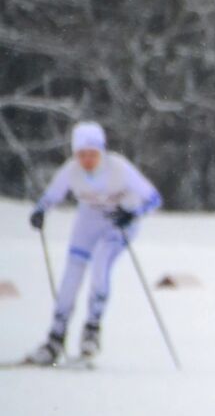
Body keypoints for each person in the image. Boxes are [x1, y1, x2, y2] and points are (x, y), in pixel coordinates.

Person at [25, 121, 162, 364]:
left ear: (102, 151)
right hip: (89, 220)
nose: (87, 160)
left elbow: (153, 198)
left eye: (92, 154)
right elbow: (52, 195)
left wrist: (133, 213)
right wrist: (40, 211)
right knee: (71, 276)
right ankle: (55, 339)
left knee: (100, 263)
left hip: (119, 222)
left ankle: (92, 331)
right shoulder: (71, 170)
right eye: (81, 154)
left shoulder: (118, 167)